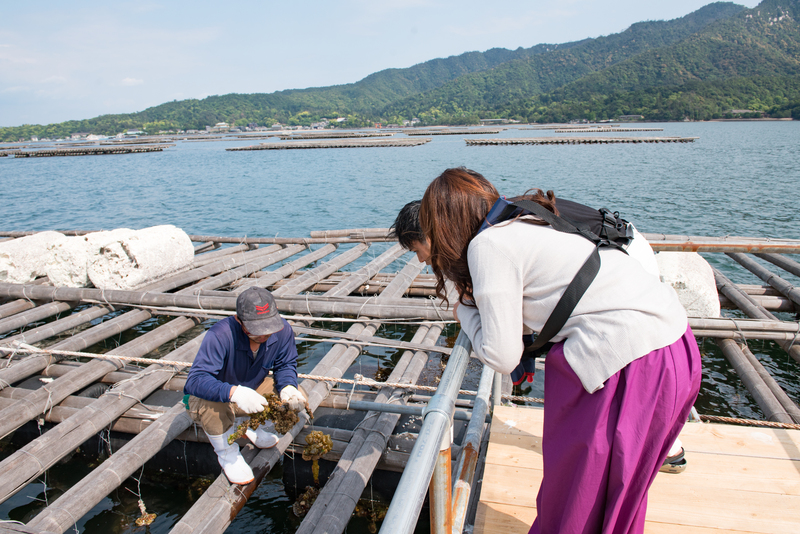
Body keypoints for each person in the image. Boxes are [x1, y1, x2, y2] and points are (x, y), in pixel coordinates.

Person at [419, 167, 701, 534]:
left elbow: (501, 355)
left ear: (445, 224)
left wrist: (465, 314)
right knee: (619, 497)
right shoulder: (529, 219)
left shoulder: (487, 246)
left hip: (631, 362)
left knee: (579, 502)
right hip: (675, 344)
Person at [184, 287, 307, 485]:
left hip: (251, 390)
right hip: (215, 399)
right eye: (255, 329)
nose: (263, 334)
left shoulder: (283, 331)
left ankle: (250, 426)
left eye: (269, 327)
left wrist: (288, 387)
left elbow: (285, 365)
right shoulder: (219, 335)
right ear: (239, 320)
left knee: (297, 395)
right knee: (213, 405)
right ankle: (227, 453)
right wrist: (233, 392)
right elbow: (195, 380)